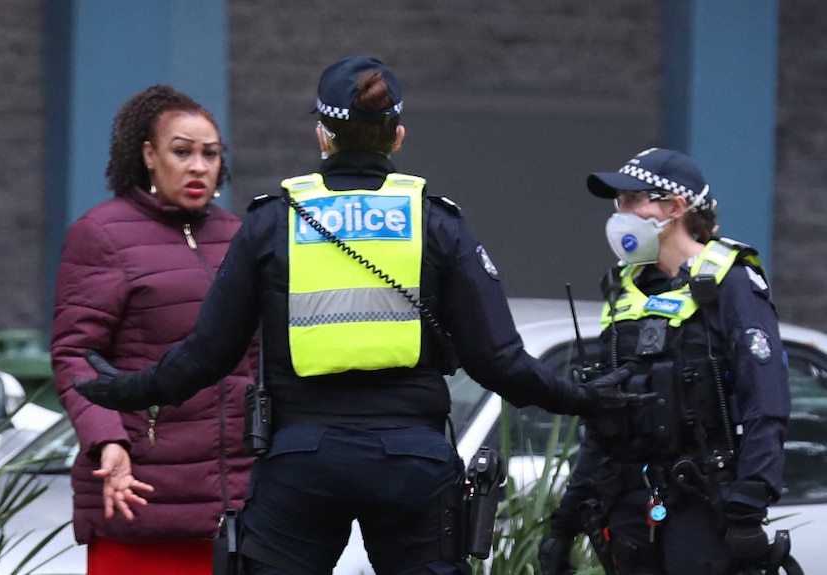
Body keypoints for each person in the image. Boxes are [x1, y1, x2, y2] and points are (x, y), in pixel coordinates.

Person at [73, 56, 635, 575]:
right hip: (413, 463)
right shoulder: (437, 222)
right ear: (397, 135)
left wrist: (124, 389)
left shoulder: (273, 224)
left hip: (301, 464)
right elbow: (499, 361)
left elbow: (207, 355)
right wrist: (583, 399)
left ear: (322, 133)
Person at [537, 148, 790, 575]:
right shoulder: (623, 289)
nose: (621, 212)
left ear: (674, 208)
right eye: (618, 201)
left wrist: (748, 505)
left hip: (706, 504)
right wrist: (566, 520)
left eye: (634, 199)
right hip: (630, 507)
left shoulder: (730, 281)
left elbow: (766, 402)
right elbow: (603, 419)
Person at [50, 84, 258, 575]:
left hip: (239, 508)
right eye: (181, 152)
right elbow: (75, 353)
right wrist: (109, 442)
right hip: (141, 496)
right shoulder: (102, 234)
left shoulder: (239, 235)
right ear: (148, 155)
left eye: (210, 154)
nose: (198, 167)